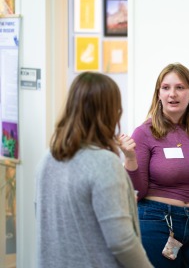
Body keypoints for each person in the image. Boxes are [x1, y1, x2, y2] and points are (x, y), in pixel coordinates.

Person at [35, 72, 153, 268]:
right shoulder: (104, 163)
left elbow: (53, 220)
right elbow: (121, 241)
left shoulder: (47, 159)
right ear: (110, 113)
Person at [119, 63, 189, 267]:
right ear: (158, 94)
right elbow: (137, 193)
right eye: (166, 88)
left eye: (180, 87)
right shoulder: (144, 133)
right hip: (155, 221)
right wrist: (130, 160)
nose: (172, 94)